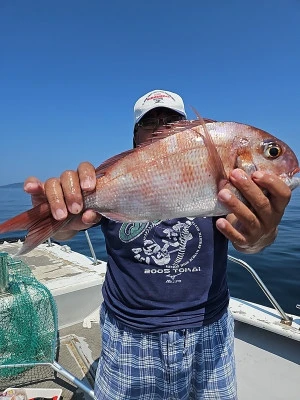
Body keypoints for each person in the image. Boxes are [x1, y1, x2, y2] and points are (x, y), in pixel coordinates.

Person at [24, 90, 291, 399]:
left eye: (172, 121)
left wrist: (261, 235)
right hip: (129, 334)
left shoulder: (225, 185)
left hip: (210, 329)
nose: (162, 128)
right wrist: (59, 222)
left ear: (188, 129)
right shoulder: (115, 178)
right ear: (136, 137)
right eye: (151, 123)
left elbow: (249, 239)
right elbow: (69, 230)